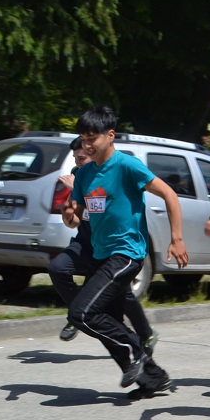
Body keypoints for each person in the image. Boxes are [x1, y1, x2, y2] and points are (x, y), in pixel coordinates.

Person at [63, 104, 186, 395]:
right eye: (83, 138)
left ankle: (137, 350)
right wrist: (69, 215)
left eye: (92, 137)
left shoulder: (127, 166)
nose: (87, 144)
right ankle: (154, 377)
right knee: (108, 322)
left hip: (127, 253)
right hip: (99, 254)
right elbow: (76, 217)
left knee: (81, 314)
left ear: (110, 135)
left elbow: (169, 193)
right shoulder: (84, 174)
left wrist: (176, 238)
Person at [52, 138, 157, 351]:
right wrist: (68, 211)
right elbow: (74, 221)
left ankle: (145, 335)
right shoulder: (80, 173)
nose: (78, 162)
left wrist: (80, 189)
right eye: (76, 159)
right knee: (58, 268)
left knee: (123, 295)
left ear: (96, 152)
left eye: (81, 158)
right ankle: (77, 314)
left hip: (112, 247)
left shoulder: (112, 172)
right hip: (86, 243)